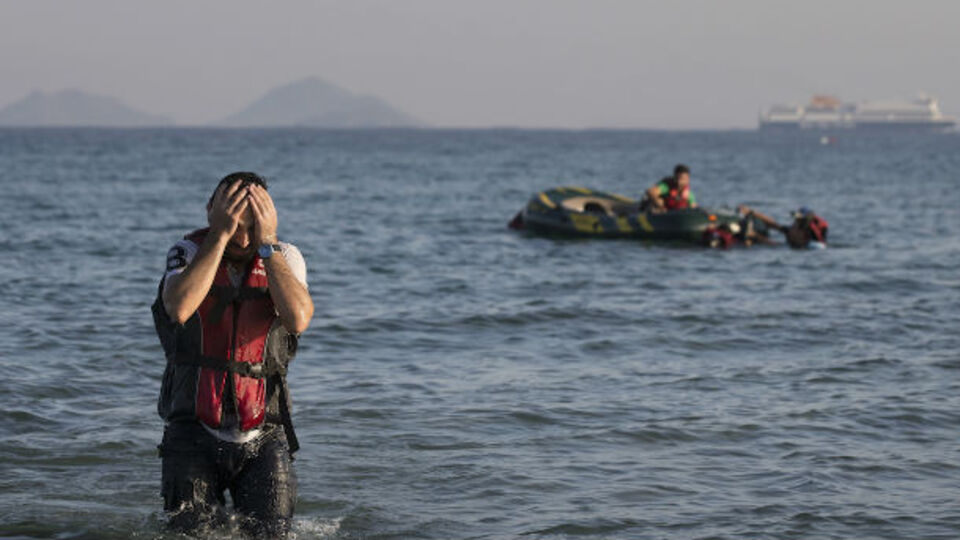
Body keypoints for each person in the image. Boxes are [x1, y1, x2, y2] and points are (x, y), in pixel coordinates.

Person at [151, 172, 314, 537]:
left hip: (264, 435)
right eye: (234, 225)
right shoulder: (188, 252)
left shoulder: (286, 257)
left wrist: (267, 242)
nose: (243, 237)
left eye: (251, 226)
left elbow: (299, 318)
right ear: (212, 211)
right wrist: (219, 235)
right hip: (191, 431)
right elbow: (178, 307)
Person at [707, 205, 828, 249]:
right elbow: (774, 224)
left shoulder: (812, 246)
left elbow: (774, 245)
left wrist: (755, 236)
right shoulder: (794, 233)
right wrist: (751, 212)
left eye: (796, 222)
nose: (793, 224)